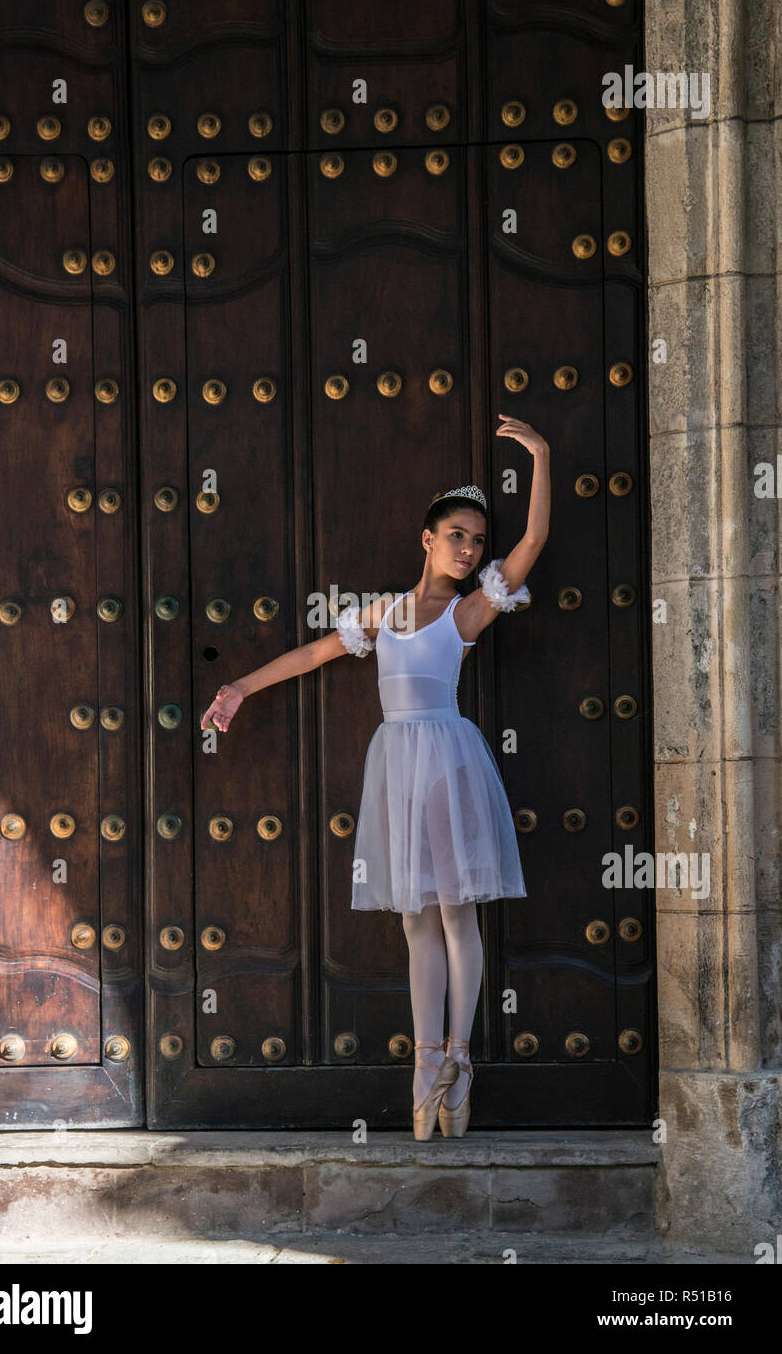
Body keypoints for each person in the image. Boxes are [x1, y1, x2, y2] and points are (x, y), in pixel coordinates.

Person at [201, 413, 551, 1140]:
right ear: (426, 539)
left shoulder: (465, 613)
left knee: (458, 914)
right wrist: (237, 687)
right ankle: (425, 1073)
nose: (467, 548)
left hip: (447, 762)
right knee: (414, 920)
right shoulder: (383, 615)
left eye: (476, 540)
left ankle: (460, 1062)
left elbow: (532, 544)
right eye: (455, 535)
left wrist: (541, 457)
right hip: (394, 765)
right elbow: (310, 655)